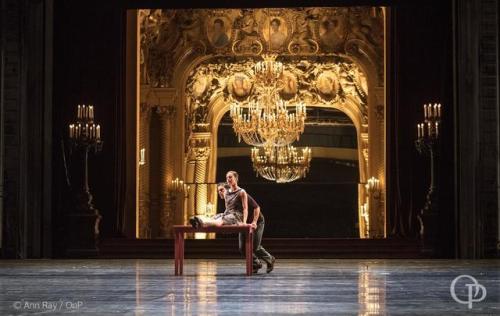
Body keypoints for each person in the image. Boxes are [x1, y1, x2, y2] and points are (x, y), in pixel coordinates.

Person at [218, 183, 275, 274]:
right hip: (243, 224)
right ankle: (256, 263)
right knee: (242, 248)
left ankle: (269, 258)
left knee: (255, 247)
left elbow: (257, 207)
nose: (220, 193)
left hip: (256, 221)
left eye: (222, 190)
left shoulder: (241, 193)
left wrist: (255, 222)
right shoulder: (228, 200)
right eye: (219, 191)